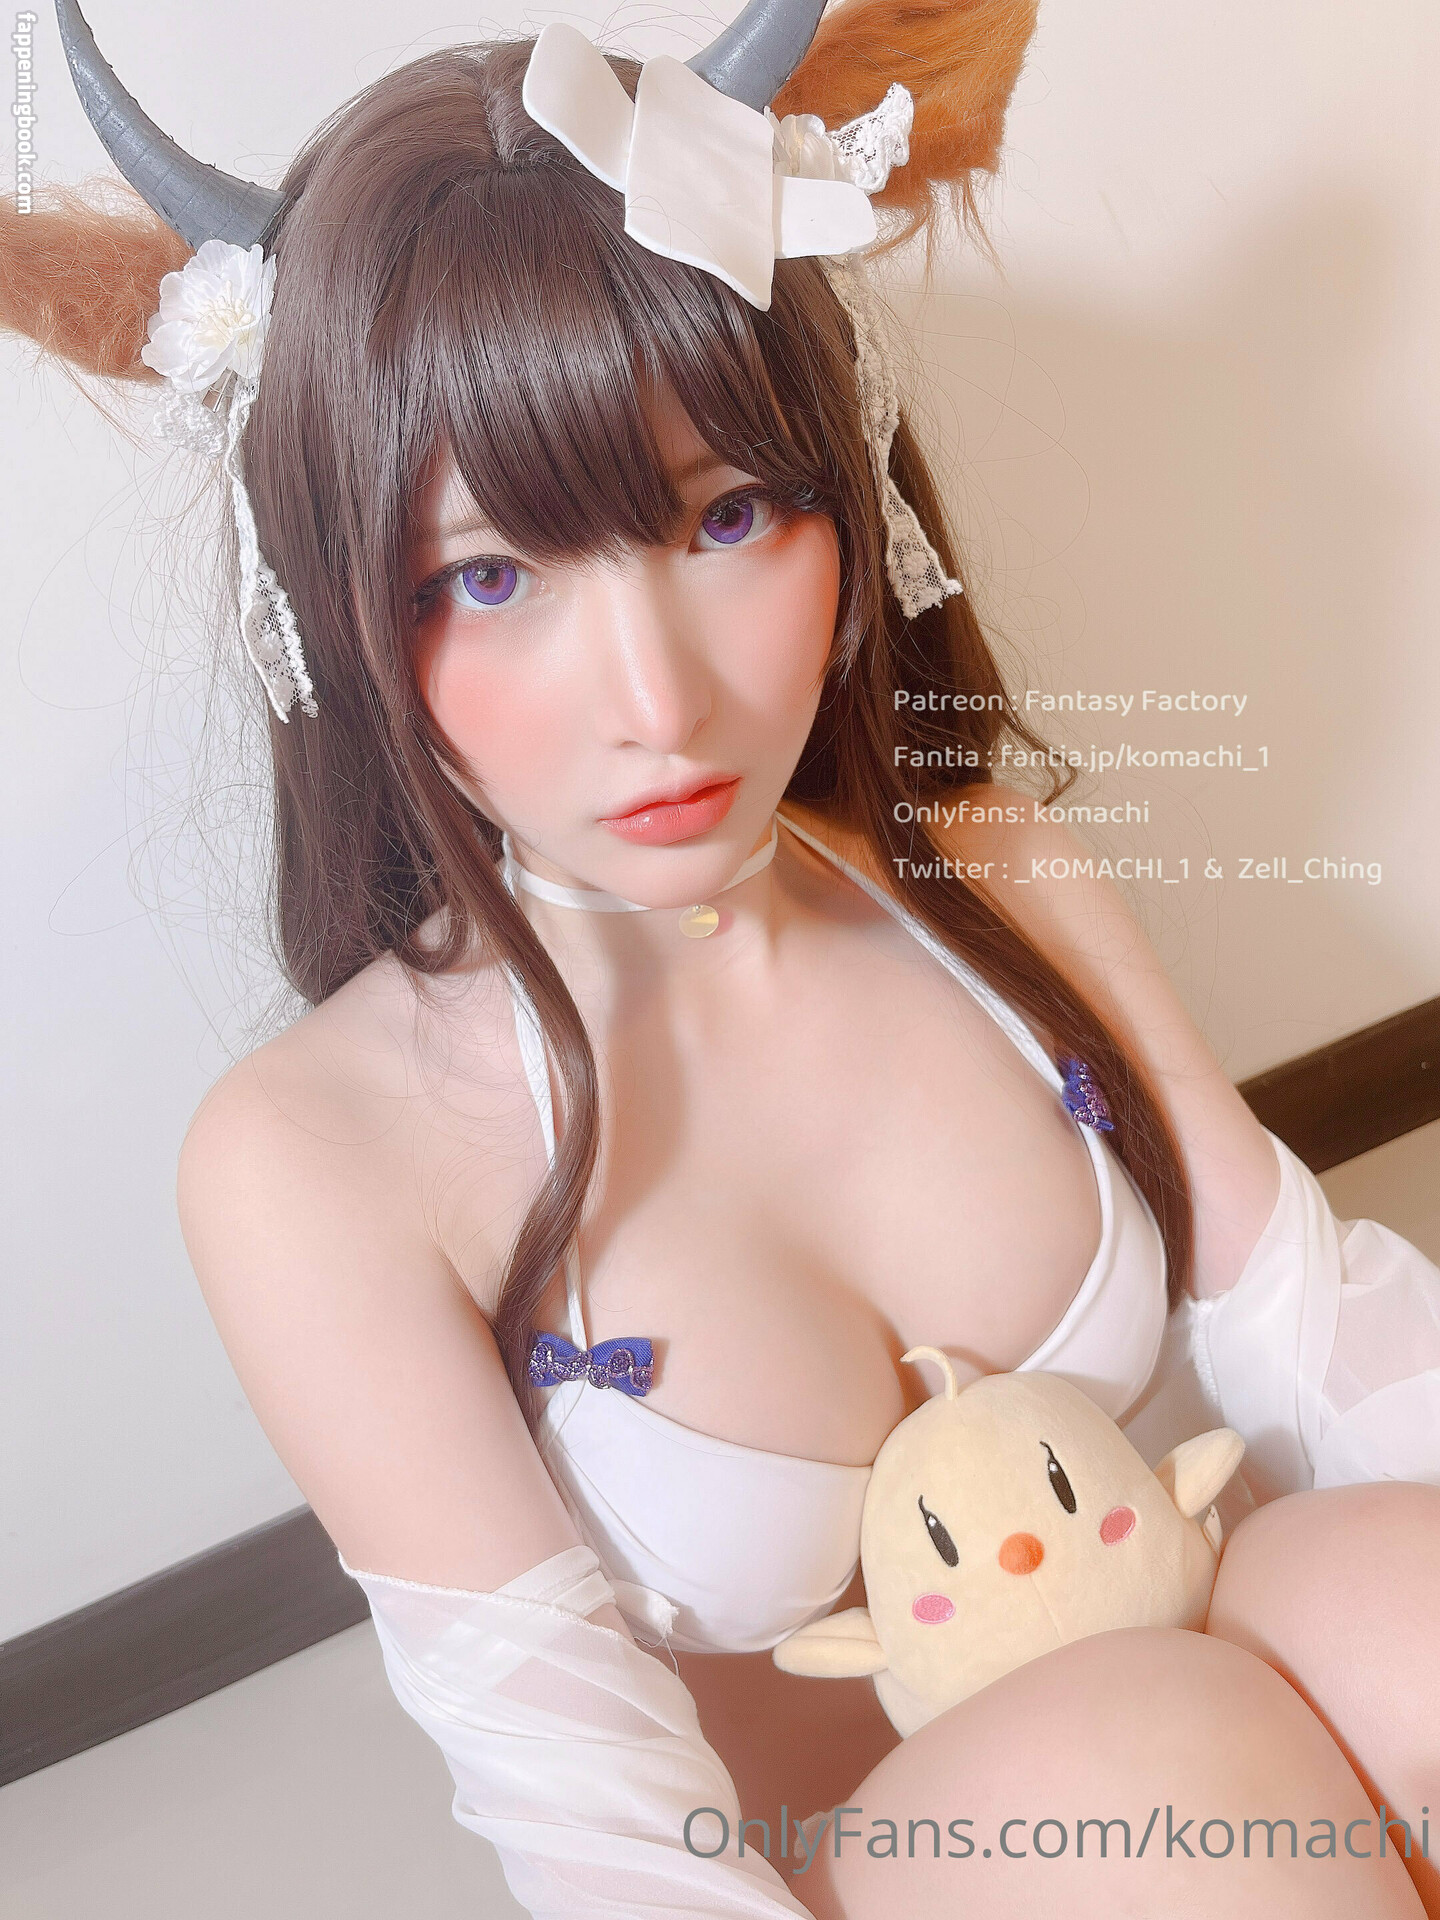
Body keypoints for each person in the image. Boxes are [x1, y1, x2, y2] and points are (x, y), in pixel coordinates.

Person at [8, 2, 1439, 1914]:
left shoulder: (976, 870)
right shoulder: (318, 1156)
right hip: (853, 1867)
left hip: (1209, 1771)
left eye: (728, 517)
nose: (659, 700)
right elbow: (591, 1811)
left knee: (1399, 1592)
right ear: (339, 617)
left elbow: (1319, 1329)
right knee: (1140, 1748)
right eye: (492, 576)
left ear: (850, 503)